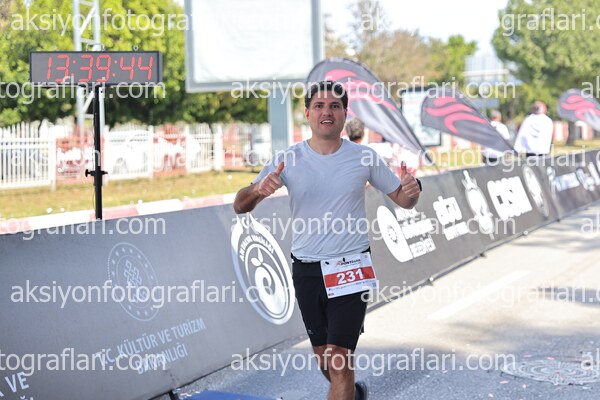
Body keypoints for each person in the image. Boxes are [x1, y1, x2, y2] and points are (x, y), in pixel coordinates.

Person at [233, 81, 421, 400]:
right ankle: (352, 394)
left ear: (345, 114)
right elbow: (240, 206)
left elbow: (404, 200)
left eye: (334, 106)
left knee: (339, 358)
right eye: (319, 106)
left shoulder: (364, 157)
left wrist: (412, 190)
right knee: (325, 358)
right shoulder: (288, 159)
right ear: (307, 113)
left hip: (351, 266)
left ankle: (345, 387)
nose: (327, 112)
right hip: (306, 269)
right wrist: (256, 190)